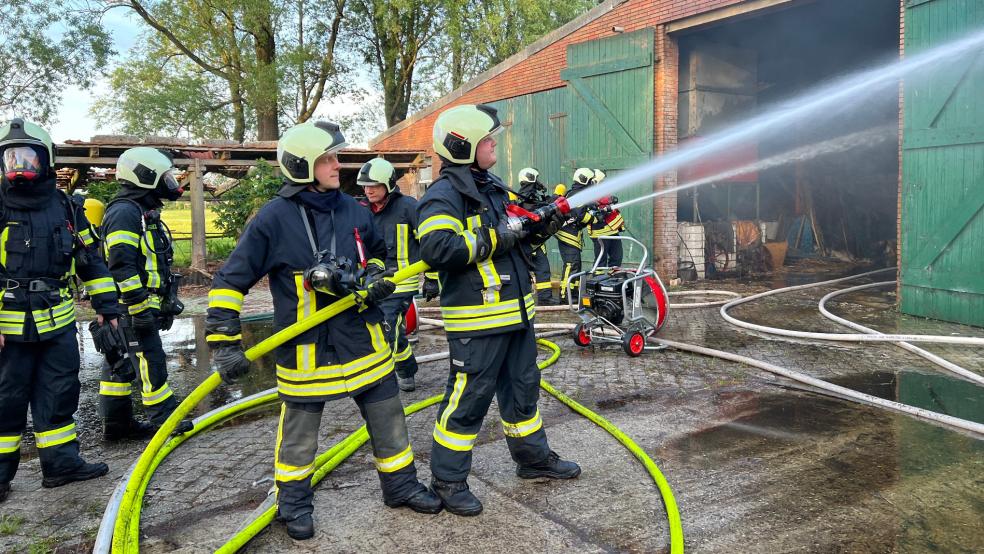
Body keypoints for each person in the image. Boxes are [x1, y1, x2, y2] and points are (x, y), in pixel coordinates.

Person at [205, 121, 440, 540]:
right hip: (306, 350)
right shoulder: (273, 220)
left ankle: (401, 486)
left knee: (389, 417)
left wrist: (375, 278)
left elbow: (380, 257)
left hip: (364, 341)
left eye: (335, 157)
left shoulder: (353, 211)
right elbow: (229, 281)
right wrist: (224, 342)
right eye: (328, 159)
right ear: (302, 166)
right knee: (299, 434)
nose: (337, 165)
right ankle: (293, 504)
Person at [418, 104, 580, 517]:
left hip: (516, 316)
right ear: (464, 146)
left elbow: (516, 236)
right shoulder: (444, 195)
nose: (494, 144)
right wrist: (498, 235)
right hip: (479, 322)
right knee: (469, 399)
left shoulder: (490, 186)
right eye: (487, 139)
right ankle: (449, 480)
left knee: (524, 390)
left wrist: (544, 222)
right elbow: (438, 248)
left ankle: (532, 460)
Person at [0, 118, 118, 502]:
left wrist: (107, 306)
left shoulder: (67, 206)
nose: (18, 164)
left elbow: (90, 260)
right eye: (10, 157)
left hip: (59, 322)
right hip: (8, 327)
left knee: (60, 392)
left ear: (46, 160)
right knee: (6, 399)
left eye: (27, 156)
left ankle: (61, 465)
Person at [96, 147, 185, 439]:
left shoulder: (137, 210)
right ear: (146, 176)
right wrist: (138, 307)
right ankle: (165, 420)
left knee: (119, 366)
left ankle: (118, 427)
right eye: (166, 176)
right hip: (129, 307)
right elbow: (121, 264)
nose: (171, 182)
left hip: (126, 306)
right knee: (152, 360)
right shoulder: (125, 212)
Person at [357, 157, 422, 392]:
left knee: (387, 326)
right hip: (371, 282)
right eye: (365, 186)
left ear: (389, 184)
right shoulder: (361, 211)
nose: (368, 190)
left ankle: (393, 375)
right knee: (382, 328)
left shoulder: (409, 207)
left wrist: (434, 278)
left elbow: (428, 242)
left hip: (401, 282)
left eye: (374, 185)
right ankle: (404, 366)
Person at [516, 167, 558, 305]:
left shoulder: (531, 195)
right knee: (537, 269)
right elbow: (533, 209)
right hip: (528, 242)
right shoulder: (526, 195)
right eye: (537, 178)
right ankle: (529, 298)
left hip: (534, 242)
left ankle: (545, 298)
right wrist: (550, 203)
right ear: (531, 178)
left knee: (543, 268)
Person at [555, 168, 596, 300]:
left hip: (572, 233)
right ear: (586, 180)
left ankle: (573, 292)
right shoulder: (578, 194)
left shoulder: (575, 193)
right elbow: (579, 215)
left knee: (575, 264)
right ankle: (565, 294)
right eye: (591, 181)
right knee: (570, 264)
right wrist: (594, 218)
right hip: (568, 234)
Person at [587, 169, 625, 268]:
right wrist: (608, 201)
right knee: (601, 260)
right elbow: (595, 201)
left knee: (617, 257)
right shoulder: (587, 193)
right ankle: (597, 279)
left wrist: (609, 200)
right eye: (602, 181)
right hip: (600, 234)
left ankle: (615, 280)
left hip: (613, 232)